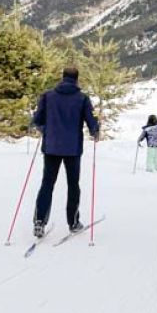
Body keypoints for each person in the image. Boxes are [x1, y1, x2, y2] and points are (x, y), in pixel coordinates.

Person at [31, 67, 99, 237]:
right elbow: (91, 122)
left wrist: (45, 130)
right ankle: (73, 222)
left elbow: (37, 120)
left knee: (47, 184)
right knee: (73, 185)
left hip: (52, 147)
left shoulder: (48, 96)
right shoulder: (82, 98)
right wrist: (95, 130)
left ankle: (39, 221)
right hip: (73, 149)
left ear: (62, 78)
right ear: (77, 79)